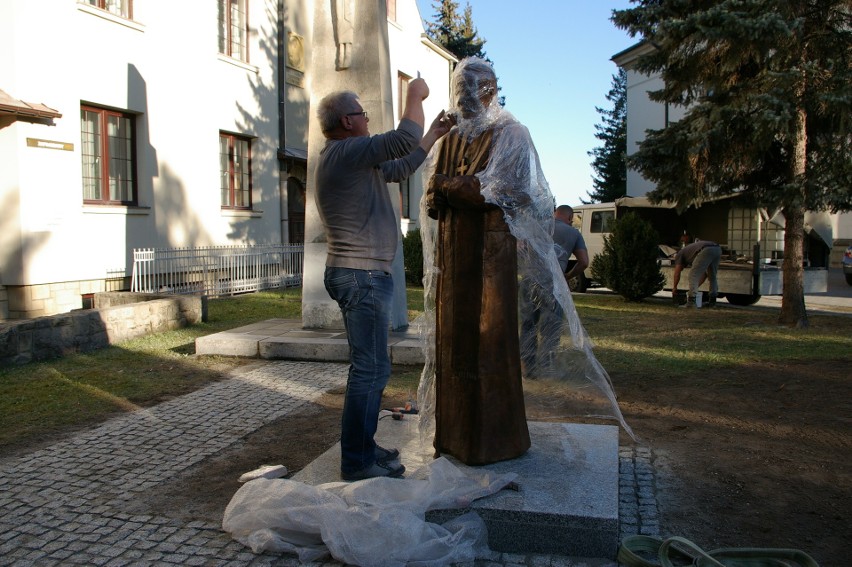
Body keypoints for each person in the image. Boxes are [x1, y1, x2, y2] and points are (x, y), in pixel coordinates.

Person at [418, 57, 636, 462]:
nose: (465, 98)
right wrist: (453, 188)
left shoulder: (512, 134)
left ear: (491, 90)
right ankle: (452, 437)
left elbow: (506, 190)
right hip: (454, 259)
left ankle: (495, 440)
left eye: (473, 89)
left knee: (490, 344)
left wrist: (454, 187)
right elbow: (431, 199)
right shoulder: (448, 141)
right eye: (460, 90)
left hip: (489, 257)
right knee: (454, 345)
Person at [314, 79, 452, 481]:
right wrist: (414, 94)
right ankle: (356, 462)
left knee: (371, 369)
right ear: (347, 121)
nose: (367, 119)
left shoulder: (355, 159)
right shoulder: (344, 151)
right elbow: (400, 138)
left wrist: (433, 136)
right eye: (362, 113)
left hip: (362, 275)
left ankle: (363, 447)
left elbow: (401, 165)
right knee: (370, 371)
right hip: (361, 276)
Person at [520, 204, 589, 378]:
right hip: (554, 285)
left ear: (554, 214)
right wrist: (568, 275)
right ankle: (546, 368)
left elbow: (519, 249)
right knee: (551, 328)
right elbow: (584, 262)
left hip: (530, 281)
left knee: (528, 325)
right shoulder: (574, 233)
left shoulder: (538, 228)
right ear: (570, 218)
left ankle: (527, 368)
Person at [672, 239, 722, 308]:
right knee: (712, 275)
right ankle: (712, 302)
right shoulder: (690, 254)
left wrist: (674, 287)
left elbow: (677, 273)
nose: (682, 269)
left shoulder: (679, 255)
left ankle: (691, 302)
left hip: (706, 249)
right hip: (717, 249)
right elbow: (704, 275)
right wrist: (695, 287)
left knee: (692, 275)